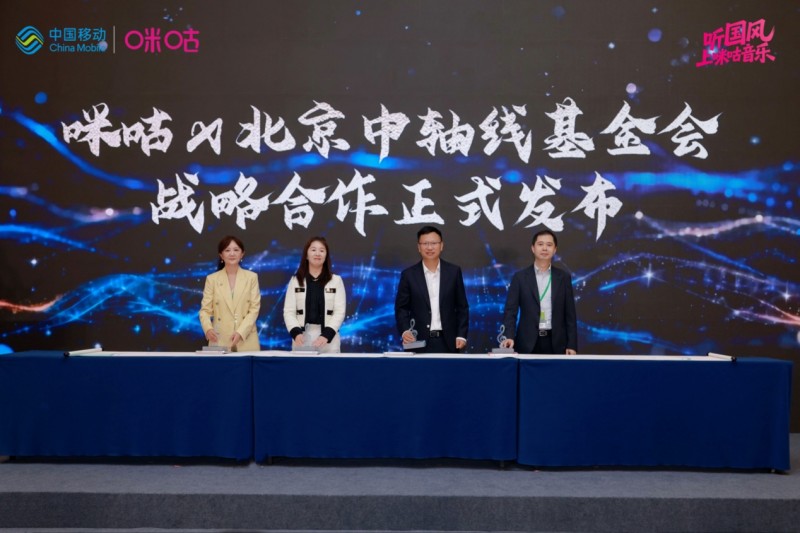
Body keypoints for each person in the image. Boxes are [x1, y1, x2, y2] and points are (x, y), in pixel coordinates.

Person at [501, 229, 577, 354]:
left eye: (549, 245)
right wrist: (509, 336)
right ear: (533, 248)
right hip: (527, 342)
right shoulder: (520, 277)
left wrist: (572, 344)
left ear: (555, 249)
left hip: (557, 343)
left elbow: (570, 314)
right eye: (540, 244)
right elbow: (510, 311)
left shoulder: (563, 277)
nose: (544, 248)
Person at [395, 226, 469, 353]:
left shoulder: (453, 272)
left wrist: (461, 335)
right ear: (419, 247)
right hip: (417, 341)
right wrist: (405, 330)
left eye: (434, 243)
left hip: (449, 342)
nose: (429, 247)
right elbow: (401, 308)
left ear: (441, 245)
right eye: (425, 244)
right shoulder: (409, 275)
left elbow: (462, 307)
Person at [283, 236, 347, 353]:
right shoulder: (295, 280)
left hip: (329, 340)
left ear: (326, 256)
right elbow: (289, 311)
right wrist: (296, 333)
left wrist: (326, 335)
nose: (317, 253)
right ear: (306, 255)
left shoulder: (336, 280)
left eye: (322, 250)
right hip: (302, 338)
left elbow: (339, 311)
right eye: (313, 250)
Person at [199, 235, 261, 351]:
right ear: (221, 255)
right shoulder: (212, 279)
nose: (232, 254)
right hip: (219, 338)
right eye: (227, 250)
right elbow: (205, 310)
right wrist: (208, 329)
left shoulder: (252, 278)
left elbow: (254, 309)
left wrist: (241, 332)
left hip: (246, 338)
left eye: (236, 250)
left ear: (242, 254)